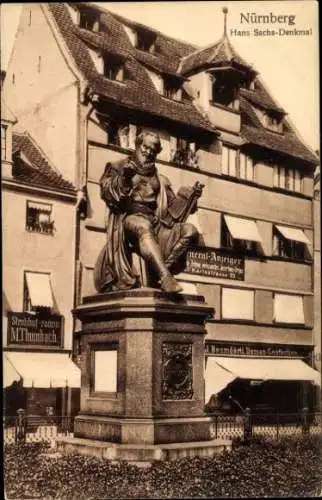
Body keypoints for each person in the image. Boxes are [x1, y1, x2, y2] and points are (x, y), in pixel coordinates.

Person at [94, 130, 204, 293]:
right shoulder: (118, 167)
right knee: (143, 226)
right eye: (145, 147)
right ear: (137, 145)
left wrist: (190, 197)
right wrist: (124, 178)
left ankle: (159, 269)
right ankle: (166, 277)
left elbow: (174, 211)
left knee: (190, 231)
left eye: (153, 149)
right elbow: (108, 193)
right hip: (127, 220)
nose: (148, 152)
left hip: (156, 223)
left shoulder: (161, 179)